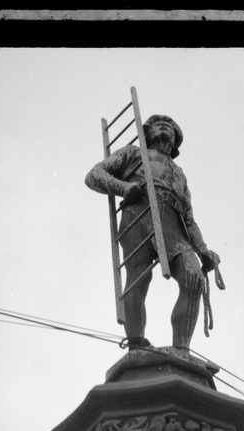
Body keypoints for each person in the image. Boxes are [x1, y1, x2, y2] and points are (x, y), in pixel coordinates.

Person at [85, 114, 221, 350]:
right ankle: (136, 341)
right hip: (137, 215)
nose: (163, 128)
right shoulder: (133, 154)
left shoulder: (179, 174)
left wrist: (202, 249)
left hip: (172, 225)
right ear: (146, 133)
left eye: (169, 126)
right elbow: (94, 175)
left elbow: (188, 217)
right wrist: (124, 187)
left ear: (175, 141)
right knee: (139, 278)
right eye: (158, 125)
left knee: (193, 277)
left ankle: (181, 350)